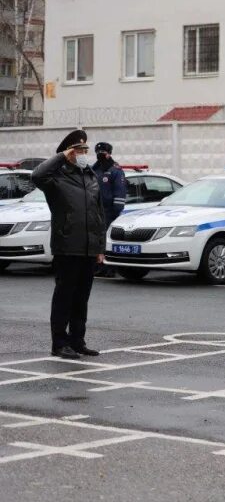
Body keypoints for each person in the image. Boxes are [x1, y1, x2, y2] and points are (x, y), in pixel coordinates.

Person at [32, 130, 106, 360]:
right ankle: (59, 343)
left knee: (81, 298)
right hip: (67, 246)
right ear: (69, 153)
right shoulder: (57, 179)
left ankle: (77, 340)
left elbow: (98, 215)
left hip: (88, 248)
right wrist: (60, 157)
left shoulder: (91, 176)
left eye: (86, 150)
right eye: (79, 150)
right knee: (64, 297)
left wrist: (100, 248)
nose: (84, 154)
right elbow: (37, 175)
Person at [92, 141, 127, 278]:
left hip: (108, 211)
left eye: (103, 153)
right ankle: (97, 266)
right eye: (98, 153)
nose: (100, 155)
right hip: (94, 211)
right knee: (96, 240)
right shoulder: (94, 170)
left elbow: (120, 193)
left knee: (106, 240)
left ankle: (108, 268)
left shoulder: (116, 171)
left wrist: (115, 213)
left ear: (109, 154)